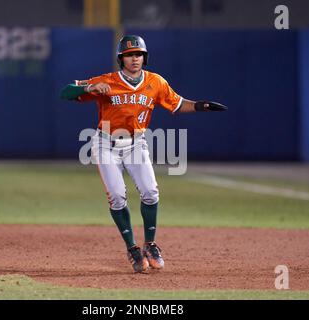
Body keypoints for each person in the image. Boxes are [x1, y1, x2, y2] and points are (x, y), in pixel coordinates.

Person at [60, 35, 227, 273]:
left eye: (138, 54)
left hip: (136, 144)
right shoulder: (107, 81)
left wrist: (201, 105)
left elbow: (178, 104)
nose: (134, 58)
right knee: (117, 196)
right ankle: (132, 248)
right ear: (122, 59)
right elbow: (65, 92)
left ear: (144, 57)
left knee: (150, 192)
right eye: (129, 55)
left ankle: (150, 244)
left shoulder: (155, 82)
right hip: (106, 143)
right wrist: (89, 87)